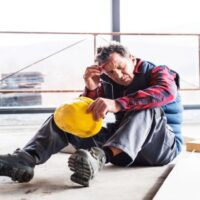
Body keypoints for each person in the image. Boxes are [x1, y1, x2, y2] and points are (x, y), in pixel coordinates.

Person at [0, 41, 183, 187]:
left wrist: (118, 103)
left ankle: (99, 157)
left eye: (121, 66)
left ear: (132, 59)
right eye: (111, 72)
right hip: (119, 151)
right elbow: (87, 115)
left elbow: (166, 91)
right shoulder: (108, 82)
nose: (118, 74)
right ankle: (26, 159)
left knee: (146, 106)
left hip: (160, 148)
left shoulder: (158, 71)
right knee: (65, 117)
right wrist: (91, 88)